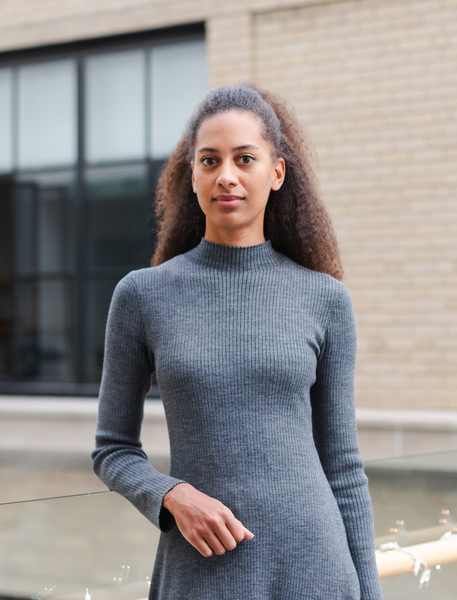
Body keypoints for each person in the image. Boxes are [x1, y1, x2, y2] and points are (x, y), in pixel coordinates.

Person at [92, 84, 384, 600]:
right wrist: (172, 496)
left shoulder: (326, 298)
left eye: (244, 158)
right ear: (193, 175)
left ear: (276, 174)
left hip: (316, 570)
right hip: (202, 575)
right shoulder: (142, 295)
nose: (226, 175)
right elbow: (113, 450)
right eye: (210, 160)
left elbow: (342, 465)